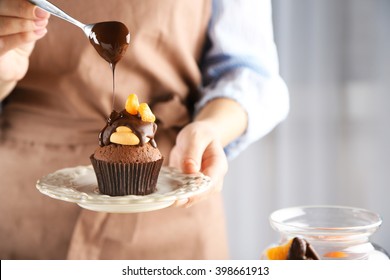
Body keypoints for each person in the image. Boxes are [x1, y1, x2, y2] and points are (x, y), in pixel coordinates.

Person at [0, 0, 289, 259]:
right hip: (25, 206)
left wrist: (210, 128)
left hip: (173, 196)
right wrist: (4, 73)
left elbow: (248, 72)